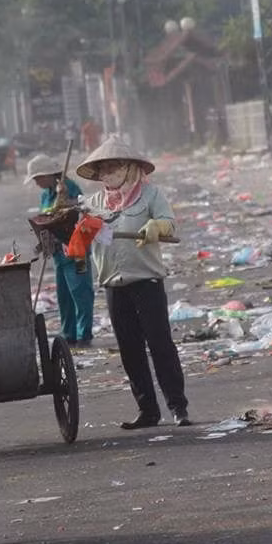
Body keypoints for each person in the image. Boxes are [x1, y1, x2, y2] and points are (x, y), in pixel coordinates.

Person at [77, 135, 190, 429]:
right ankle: (147, 410)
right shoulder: (93, 204)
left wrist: (157, 225)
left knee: (160, 344)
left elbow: (169, 223)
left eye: (114, 167)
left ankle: (178, 406)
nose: (108, 173)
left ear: (129, 168)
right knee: (130, 350)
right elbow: (79, 236)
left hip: (146, 281)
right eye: (103, 169)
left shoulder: (150, 195)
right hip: (114, 284)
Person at [25, 153, 95, 347]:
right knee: (64, 295)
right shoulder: (46, 194)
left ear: (48, 174)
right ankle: (69, 333)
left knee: (81, 292)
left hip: (77, 250)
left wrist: (66, 201)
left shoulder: (69, 188)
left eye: (38, 178)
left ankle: (84, 334)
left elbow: (83, 207)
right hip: (58, 252)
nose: (36, 182)